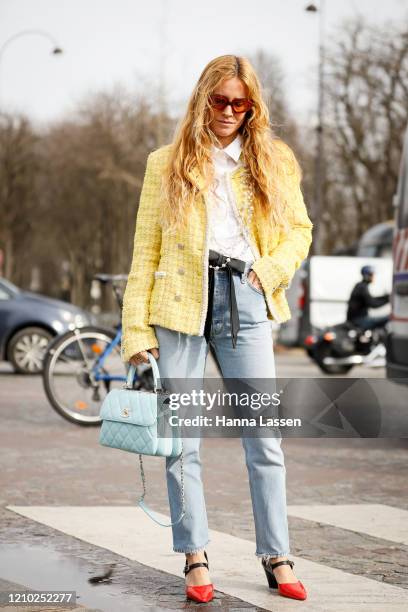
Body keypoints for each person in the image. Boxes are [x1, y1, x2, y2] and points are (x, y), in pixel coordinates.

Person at [121, 55, 313, 603]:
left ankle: (277, 552)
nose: (228, 111)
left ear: (252, 106)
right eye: (219, 100)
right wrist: (136, 330)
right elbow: (144, 251)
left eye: (239, 102)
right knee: (182, 439)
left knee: (264, 438)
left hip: (245, 299)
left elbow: (299, 230)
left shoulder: (275, 160)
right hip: (179, 302)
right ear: (202, 99)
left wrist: (266, 271)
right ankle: (195, 555)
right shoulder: (166, 162)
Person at [346, 265, 390, 330]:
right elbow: (373, 304)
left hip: (356, 319)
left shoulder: (360, 286)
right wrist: (388, 299)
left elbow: (371, 299)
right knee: (389, 318)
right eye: (371, 275)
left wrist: (385, 297)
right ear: (366, 275)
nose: (373, 277)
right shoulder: (362, 287)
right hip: (359, 320)